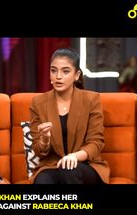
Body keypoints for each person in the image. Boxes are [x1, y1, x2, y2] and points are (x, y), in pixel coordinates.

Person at [29, 48, 110, 184]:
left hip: (85, 165)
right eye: (53, 70)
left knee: (69, 170)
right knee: (42, 181)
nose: (58, 76)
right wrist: (44, 139)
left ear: (76, 75)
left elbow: (96, 143)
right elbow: (38, 151)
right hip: (52, 165)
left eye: (65, 71)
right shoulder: (38, 103)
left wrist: (74, 156)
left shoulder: (91, 100)